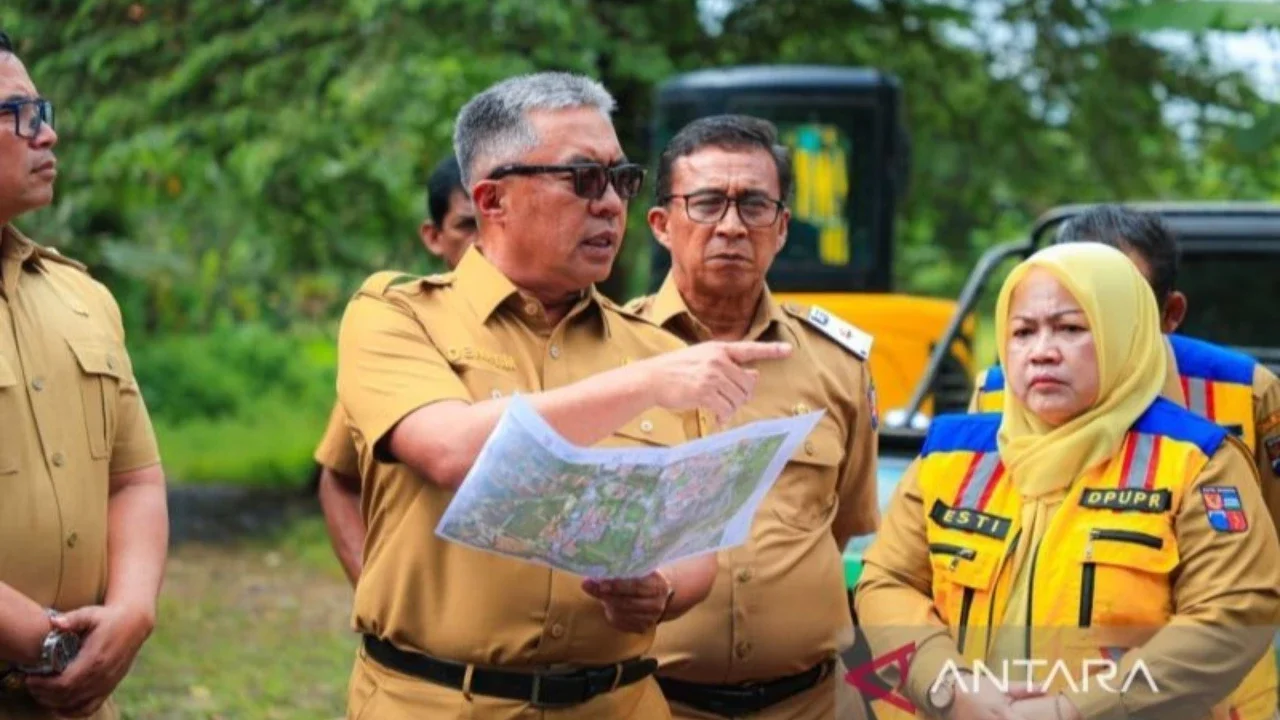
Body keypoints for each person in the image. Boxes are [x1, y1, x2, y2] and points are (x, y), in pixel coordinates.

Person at [335, 72, 794, 719]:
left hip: (618, 702)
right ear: (493, 200)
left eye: (621, 180)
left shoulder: (657, 351)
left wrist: (660, 589)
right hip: (440, 701)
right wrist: (643, 385)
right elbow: (450, 450)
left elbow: (696, 544)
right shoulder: (397, 314)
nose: (610, 203)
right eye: (583, 179)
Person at [857, 242, 1280, 720]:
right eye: (1022, 332)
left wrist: (1075, 709)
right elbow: (887, 581)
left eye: (1070, 329)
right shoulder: (952, 454)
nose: (1041, 353)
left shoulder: (1198, 461)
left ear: (1125, 335)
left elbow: (1234, 612)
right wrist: (948, 685)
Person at [627, 114, 878, 719]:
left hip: (808, 705)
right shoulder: (611, 355)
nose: (732, 227)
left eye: (755, 205)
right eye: (708, 203)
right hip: (647, 704)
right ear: (662, 224)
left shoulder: (835, 364)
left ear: (783, 226)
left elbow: (839, 525)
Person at [0, 30, 169, 720]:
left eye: (44, 111)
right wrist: (51, 647)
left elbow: (134, 478)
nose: (49, 135)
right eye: (20, 114)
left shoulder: (79, 296)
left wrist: (131, 611)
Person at [969, 205, 1280, 533]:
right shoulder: (996, 394)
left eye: (1123, 306)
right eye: (1082, 309)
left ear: (1170, 313)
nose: (1044, 352)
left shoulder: (1248, 392)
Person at [313, 153, 476, 585]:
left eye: (493, 223)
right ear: (434, 237)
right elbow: (338, 477)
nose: (482, 243)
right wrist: (373, 589)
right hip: (421, 636)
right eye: (466, 225)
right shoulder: (400, 325)